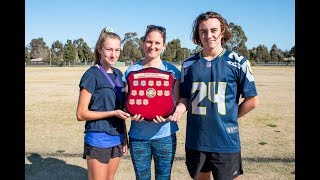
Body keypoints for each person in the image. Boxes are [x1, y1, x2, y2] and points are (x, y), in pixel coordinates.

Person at [168, 11, 259, 180]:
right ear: (198, 35)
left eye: (214, 30)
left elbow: (252, 100)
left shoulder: (238, 62)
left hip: (225, 141)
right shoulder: (189, 64)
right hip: (196, 140)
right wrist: (180, 109)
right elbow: (185, 97)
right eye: (203, 31)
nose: (209, 35)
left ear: (222, 31)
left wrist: (230, 116)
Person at [122, 25, 181, 180]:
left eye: (157, 43)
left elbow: (176, 103)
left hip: (165, 136)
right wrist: (130, 114)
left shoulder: (173, 71)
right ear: (143, 43)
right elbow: (127, 103)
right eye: (149, 42)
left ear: (164, 46)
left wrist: (169, 116)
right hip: (139, 137)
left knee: (163, 177)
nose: (152, 46)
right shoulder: (131, 71)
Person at [76, 27, 131, 180]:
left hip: (118, 137)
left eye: (117, 50)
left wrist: (124, 137)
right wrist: (112, 113)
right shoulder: (91, 75)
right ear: (100, 49)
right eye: (109, 49)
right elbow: (81, 114)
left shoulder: (119, 74)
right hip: (98, 137)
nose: (113, 54)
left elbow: (121, 110)